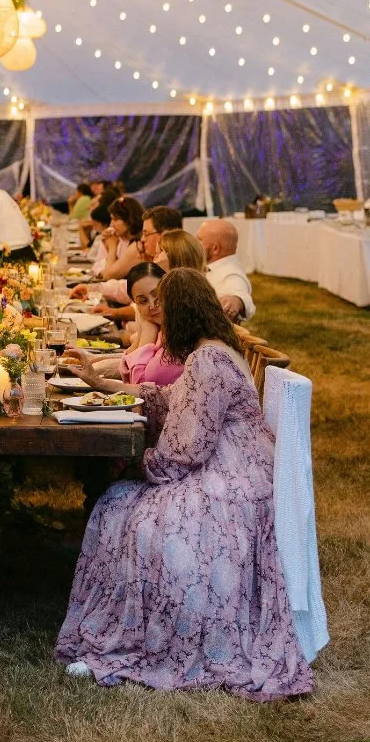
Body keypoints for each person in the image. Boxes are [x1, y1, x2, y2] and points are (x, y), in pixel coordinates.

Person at [55, 267, 313, 700]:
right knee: (123, 504)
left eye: (166, 312)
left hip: (232, 477)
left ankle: (152, 635)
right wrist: (100, 382)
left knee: (134, 512)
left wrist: (141, 464)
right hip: (237, 466)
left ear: (181, 314)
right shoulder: (212, 351)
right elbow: (168, 399)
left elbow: (187, 449)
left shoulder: (207, 359)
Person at [66, 262, 182, 390]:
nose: (152, 305)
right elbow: (125, 365)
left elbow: (138, 385)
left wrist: (147, 331)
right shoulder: (159, 329)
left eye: (157, 295)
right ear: (136, 305)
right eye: (143, 301)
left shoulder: (180, 335)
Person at [197, 218, 256, 320]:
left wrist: (236, 301)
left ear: (215, 248)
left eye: (199, 240)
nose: (195, 244)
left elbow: (240, 294)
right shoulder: (211, 266)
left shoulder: (231, 274)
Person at [99, 197, 148, 293]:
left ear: (129, 219)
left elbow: (108, 276)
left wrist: (112, 246)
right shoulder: (124, 240)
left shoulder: (138, 245)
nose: (111, 225)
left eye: (115, 219)